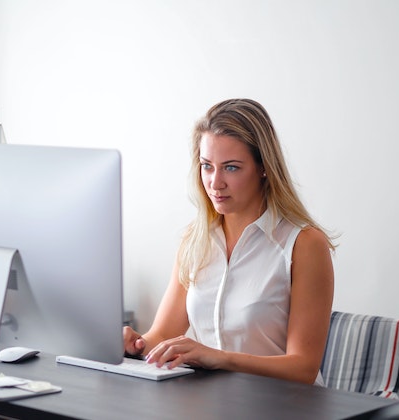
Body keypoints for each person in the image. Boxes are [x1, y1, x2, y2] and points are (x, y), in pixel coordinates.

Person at [123, 98, 336, 385]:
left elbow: (303, 368)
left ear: (263, 168)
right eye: (207, 166)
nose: (215, 182)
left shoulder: (305, 244)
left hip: (288, 407)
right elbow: (161, 335)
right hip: (215, 405)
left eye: (231, 168)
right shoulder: (195, 240)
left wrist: (218, 357)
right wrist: (134, 345)